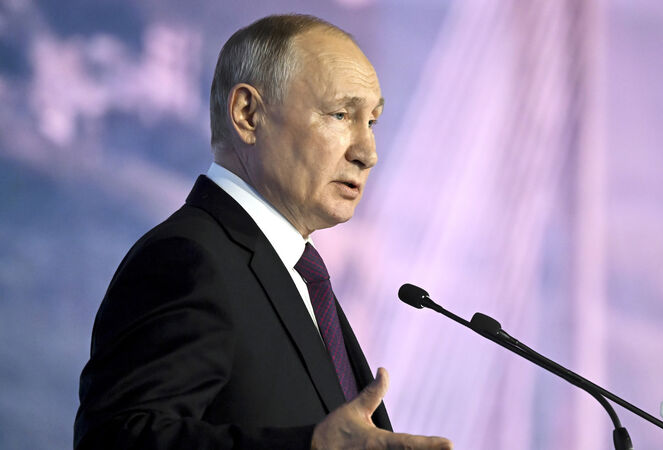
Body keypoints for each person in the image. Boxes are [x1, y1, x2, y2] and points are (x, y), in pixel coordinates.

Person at [74, 14, 452, 450]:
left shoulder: (298, 275)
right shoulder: (188, 260)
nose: (368, 153)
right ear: (248, 115)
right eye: (340, 114)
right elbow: (113, 441)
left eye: (372, 122)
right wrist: (312, 446)